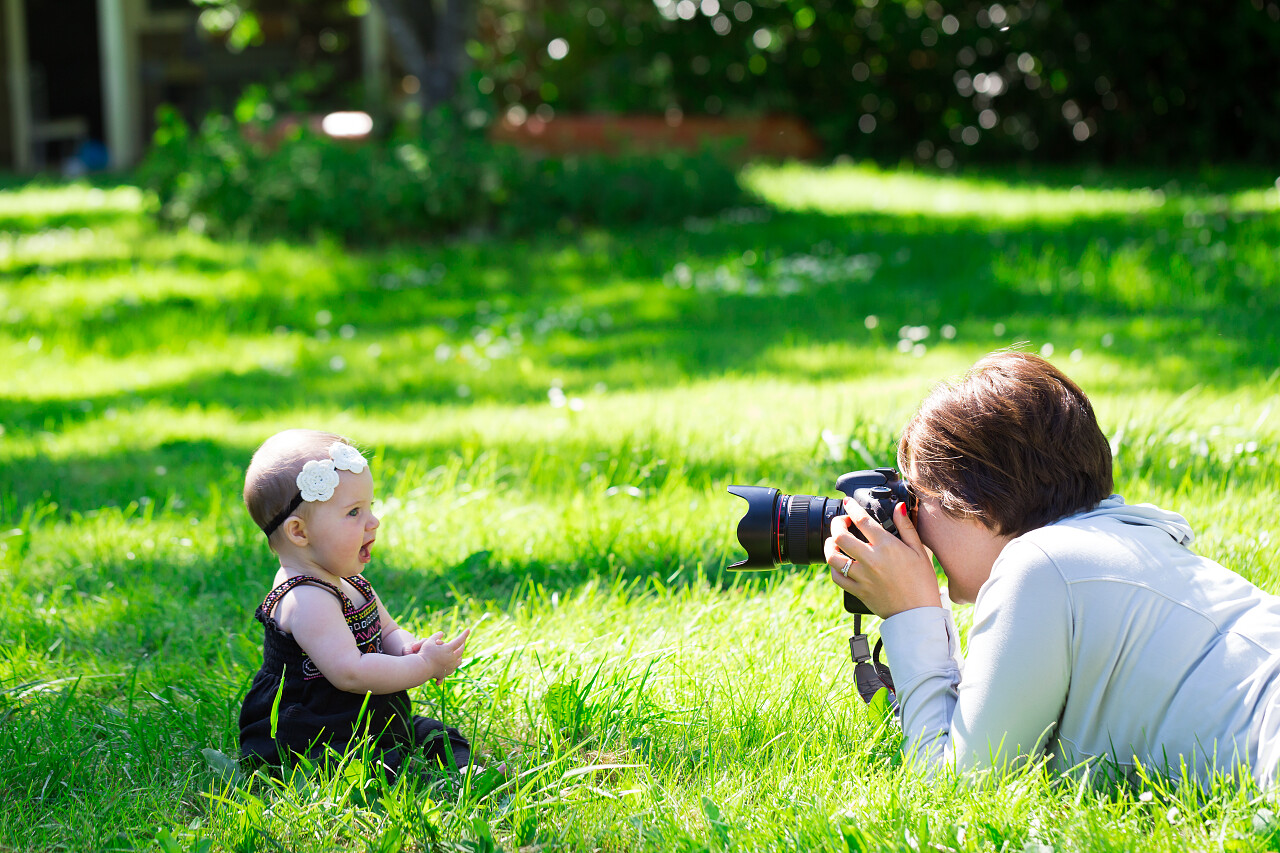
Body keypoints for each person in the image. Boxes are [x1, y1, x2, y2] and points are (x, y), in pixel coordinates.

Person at [824, 350, 1280, 787]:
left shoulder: (1039, 563)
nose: (912, 524)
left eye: (917, 501)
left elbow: (956, 789)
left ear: (975, 503)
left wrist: (911, 614)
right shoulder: (1129, 539)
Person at [238, 428, 472, 774]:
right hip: (312, 733)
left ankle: (467, 771)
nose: (373, 522)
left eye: (370, 507)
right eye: (353, 512)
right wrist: (423, 666)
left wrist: (410, 648)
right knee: (368, 766)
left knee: (433, 734)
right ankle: (432, 780)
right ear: (299, 532)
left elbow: (388, 631)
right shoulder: (305, 598)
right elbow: (351, 672)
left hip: (365, 719)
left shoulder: (351, 582)